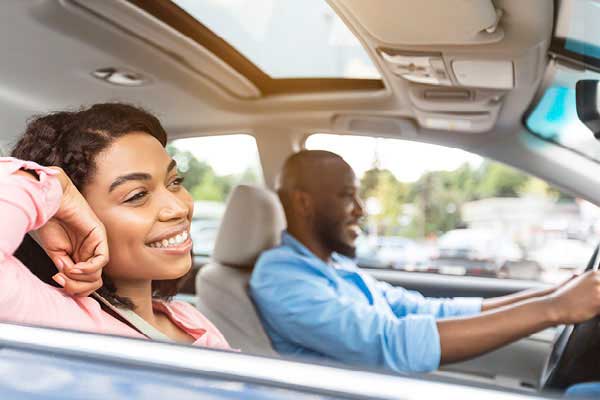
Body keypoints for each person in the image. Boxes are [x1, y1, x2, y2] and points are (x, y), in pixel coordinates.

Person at [250, 150, 600, 372]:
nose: (360, 209)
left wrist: (553, 295)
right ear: (303, 204)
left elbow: (424, 310)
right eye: (346, 196)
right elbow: (388, 342)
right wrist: (553, 310)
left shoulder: (335, 267)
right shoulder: (279, 277)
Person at [1, 103, 229, 348]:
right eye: (137, 195)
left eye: (174, 181)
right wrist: (51, 186)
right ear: (72, 218)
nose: (179, 208)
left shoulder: (187, 317)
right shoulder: (65, 323)